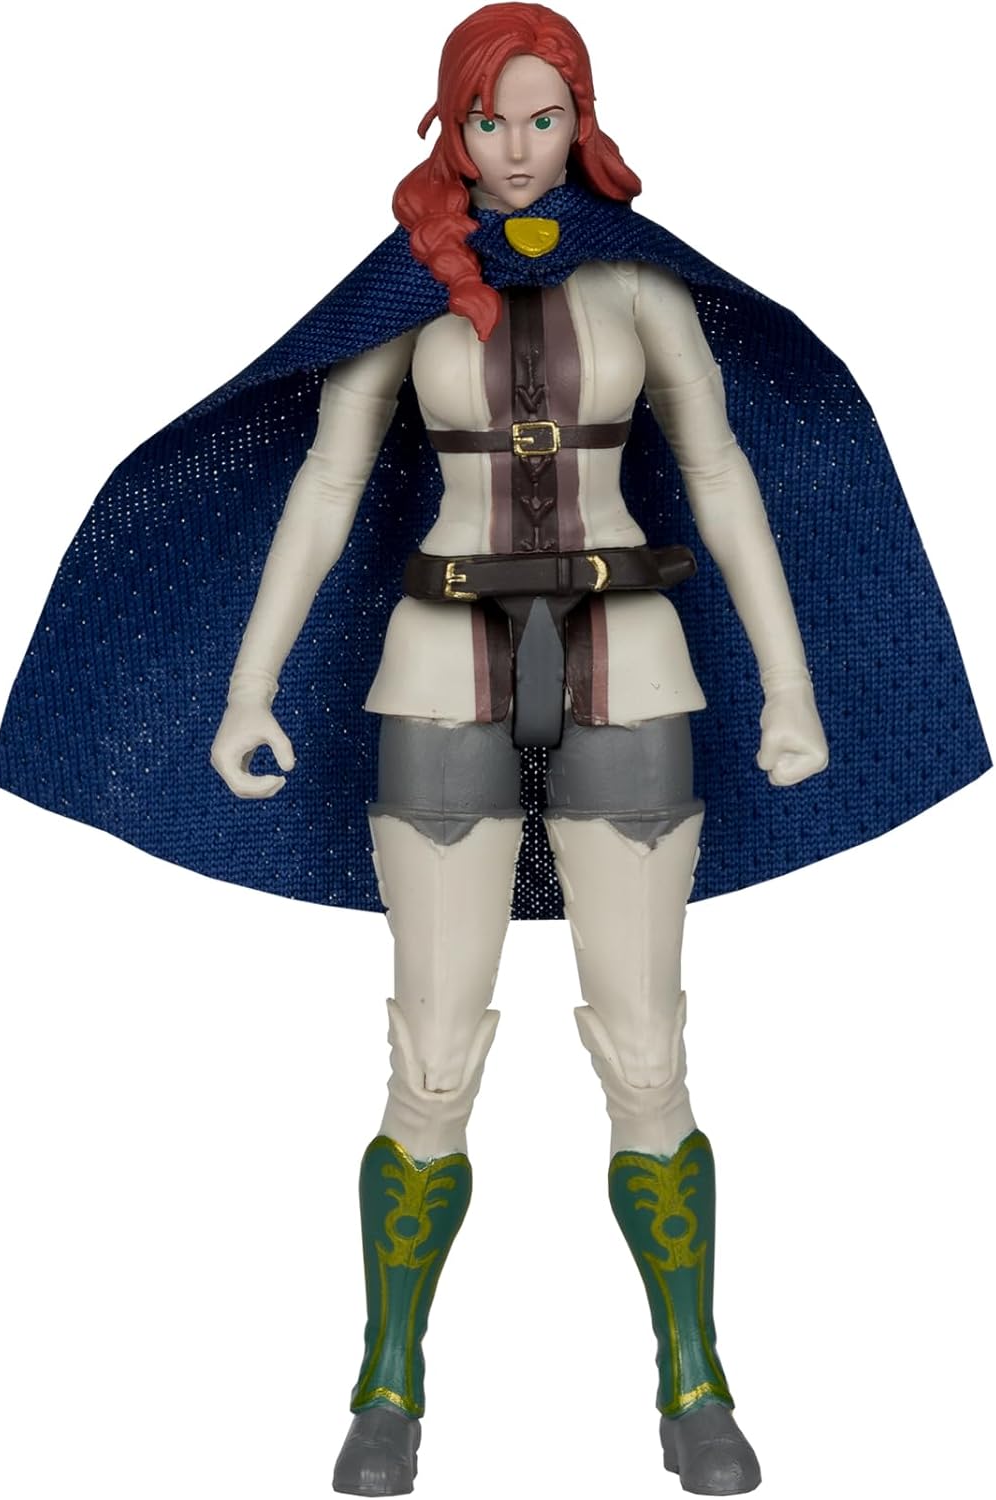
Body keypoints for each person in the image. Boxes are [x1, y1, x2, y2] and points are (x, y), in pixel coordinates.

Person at [209, 8, 827, 1494]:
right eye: (487, 122)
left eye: (542, 119)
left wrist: (792, 683)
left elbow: (722, 472)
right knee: (430, 1058)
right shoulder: (408, 285)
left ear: (581, 119)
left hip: (635, 661)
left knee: (646, 1047)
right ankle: (387, 1382)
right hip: (439, 666)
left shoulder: (638, 283)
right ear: (452, 127)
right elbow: (324, 485)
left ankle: (693, 1377)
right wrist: (248, 684)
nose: (515, 149)